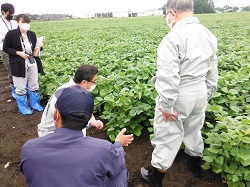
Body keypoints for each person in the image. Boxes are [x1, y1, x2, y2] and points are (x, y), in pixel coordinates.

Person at [140, 0, 218, 186]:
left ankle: (156, 177)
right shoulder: (208, 34)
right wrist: (206, 95)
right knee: (194, 128)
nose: (167, 18)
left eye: (166, 14)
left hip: (179, 93)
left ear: (172, 13)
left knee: (168, 133)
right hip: (200, 89)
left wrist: (166, 106)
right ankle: (195, 164)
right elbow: (213, 71)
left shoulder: (173, 38)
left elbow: (169, 78)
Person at [20, 85, 134, 187]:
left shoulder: (29, 148)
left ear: (56, 115)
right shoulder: (103, 149)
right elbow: (118, 166)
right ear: (90, 119)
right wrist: (118, 144)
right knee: (120, 171)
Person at [37, 64, 104, 137]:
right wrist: (88, 122)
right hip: (52, 133)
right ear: (84, 82)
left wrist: (92, 120)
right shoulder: (64, 94)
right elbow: (67, 120)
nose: (94, 85)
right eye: (94, 82)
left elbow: (82, 110)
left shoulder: (78, 90)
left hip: (65, 129)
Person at [3, 14, 44, 115]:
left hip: (31, 62)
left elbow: (35, 49)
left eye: (27, 23)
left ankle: (35, 104)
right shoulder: (11, 34)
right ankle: (24, 108)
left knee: (34, 84)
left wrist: (40, 46)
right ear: (18, 23)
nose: (26, 25)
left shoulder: (32, 34)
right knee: (20, 87)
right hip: (18, 63)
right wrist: (18, 53)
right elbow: (6, 48)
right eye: (23, 22)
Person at [0, 3, 18, 97]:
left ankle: (20, 87)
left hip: (17, 49)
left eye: (12, 14)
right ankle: (14, 89)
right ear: (3, 12)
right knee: (11, 70)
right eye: (9, 13)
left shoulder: (14, 23)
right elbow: (2, 39)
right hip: (6, 50)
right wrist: (8, 38)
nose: (11, 15)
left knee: (19, 68)